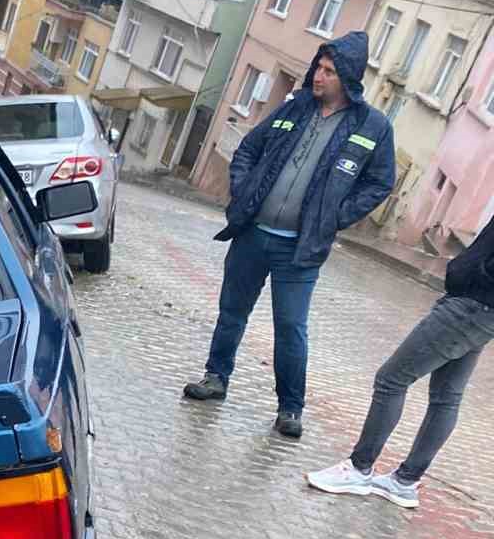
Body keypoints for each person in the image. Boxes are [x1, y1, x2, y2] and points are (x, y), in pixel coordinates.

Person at [181, 32, 394, 439]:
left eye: (329, 71)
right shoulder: (295, 106)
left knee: (291, 327)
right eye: (318, 67)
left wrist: (333, 217)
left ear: (347, 76)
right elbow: (248, 149)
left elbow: (380, 183)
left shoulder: (372, 126)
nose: (318, 76)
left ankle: (290, 409)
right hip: (253, 235)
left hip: (300, 248)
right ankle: (215, 378)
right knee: (232, 312)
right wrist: (244, 191)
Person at [306, 216, 494, 508]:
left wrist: (471, 275)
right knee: (447, 396)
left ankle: (359, 468)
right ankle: (404, 482)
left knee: (391, 379)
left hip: (472, 303)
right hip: (481, 308)